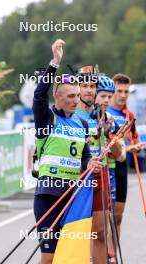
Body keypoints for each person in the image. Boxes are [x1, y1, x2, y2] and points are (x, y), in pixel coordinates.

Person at [33, 40, 102, 264]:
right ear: (58, 97)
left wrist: (90, 163)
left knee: (71, 255)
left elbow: (85, 156)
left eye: (76, 95)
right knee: (50, 256)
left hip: (72, 198)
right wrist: (55, 63)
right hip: (48, 196)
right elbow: (38, 97)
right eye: (70, 96)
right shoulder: (47, 118)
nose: (76, 100)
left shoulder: (80, 125)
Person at [76, 69, 125, 264]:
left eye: (108, 96)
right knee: (77, 234)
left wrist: (110, 132)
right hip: (79, 177)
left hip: (101, 176)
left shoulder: (103, 119)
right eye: (103, 96)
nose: (106, 100)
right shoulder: (74, 114)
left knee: (101, 234)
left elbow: (120, 156)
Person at [107, 73, 145, 256]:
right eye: (119, 91)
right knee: (102, 219)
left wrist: (136, 146)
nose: (123, 95)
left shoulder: (128, 115)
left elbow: (135, 138)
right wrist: (130, 148)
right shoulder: (106, 112)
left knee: (118, 216)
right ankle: (99, 254)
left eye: (126, 92)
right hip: (107, 166)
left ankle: (112, 255)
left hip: (121, 167)